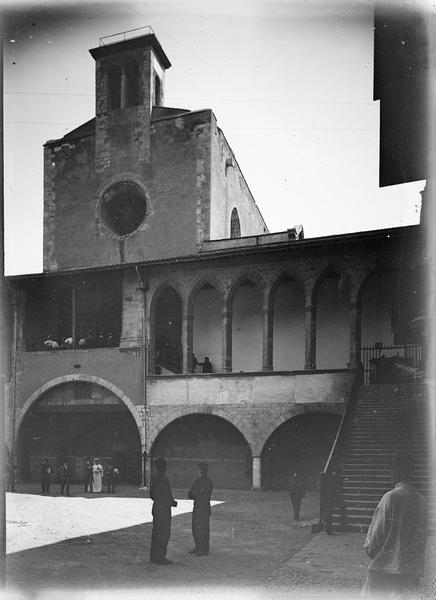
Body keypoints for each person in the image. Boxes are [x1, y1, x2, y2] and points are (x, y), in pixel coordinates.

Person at [362, 452, 427, 597]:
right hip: (409, 572)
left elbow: (376, 537)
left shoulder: (391, 497)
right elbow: (422, 539)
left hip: (384, 571)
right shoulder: (422, 501)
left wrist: (371, 551)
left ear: (397, 471)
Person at [149, 458, 178, 565]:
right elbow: (167, 495)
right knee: (164, 533)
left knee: (156, 532)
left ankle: (154, 556)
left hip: (156, 508)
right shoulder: (164, 480)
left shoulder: (155, 478)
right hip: (164, 510)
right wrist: (173, 502)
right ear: (164, 467)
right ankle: (160, 556)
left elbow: (152, 495)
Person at [188, 462, 213, 556]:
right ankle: (198, 547)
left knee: (203, 529)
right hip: (200, 507)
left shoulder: (205, 482)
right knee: (196, 528)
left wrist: (196, 493)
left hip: (202, 508)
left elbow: (196, 494)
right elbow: (190, 494)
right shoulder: (201, 481)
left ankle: (204, 549)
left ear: (201, 471)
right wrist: (197, 493)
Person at [320, 466, 344, 534]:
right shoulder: (339, 478)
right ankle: (329, 528)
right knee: (330, 513)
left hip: (327, 498)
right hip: (334, 498)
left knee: (328, 513)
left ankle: (328, 527)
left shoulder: (327, 477)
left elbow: (322, 478)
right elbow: (341, 489)